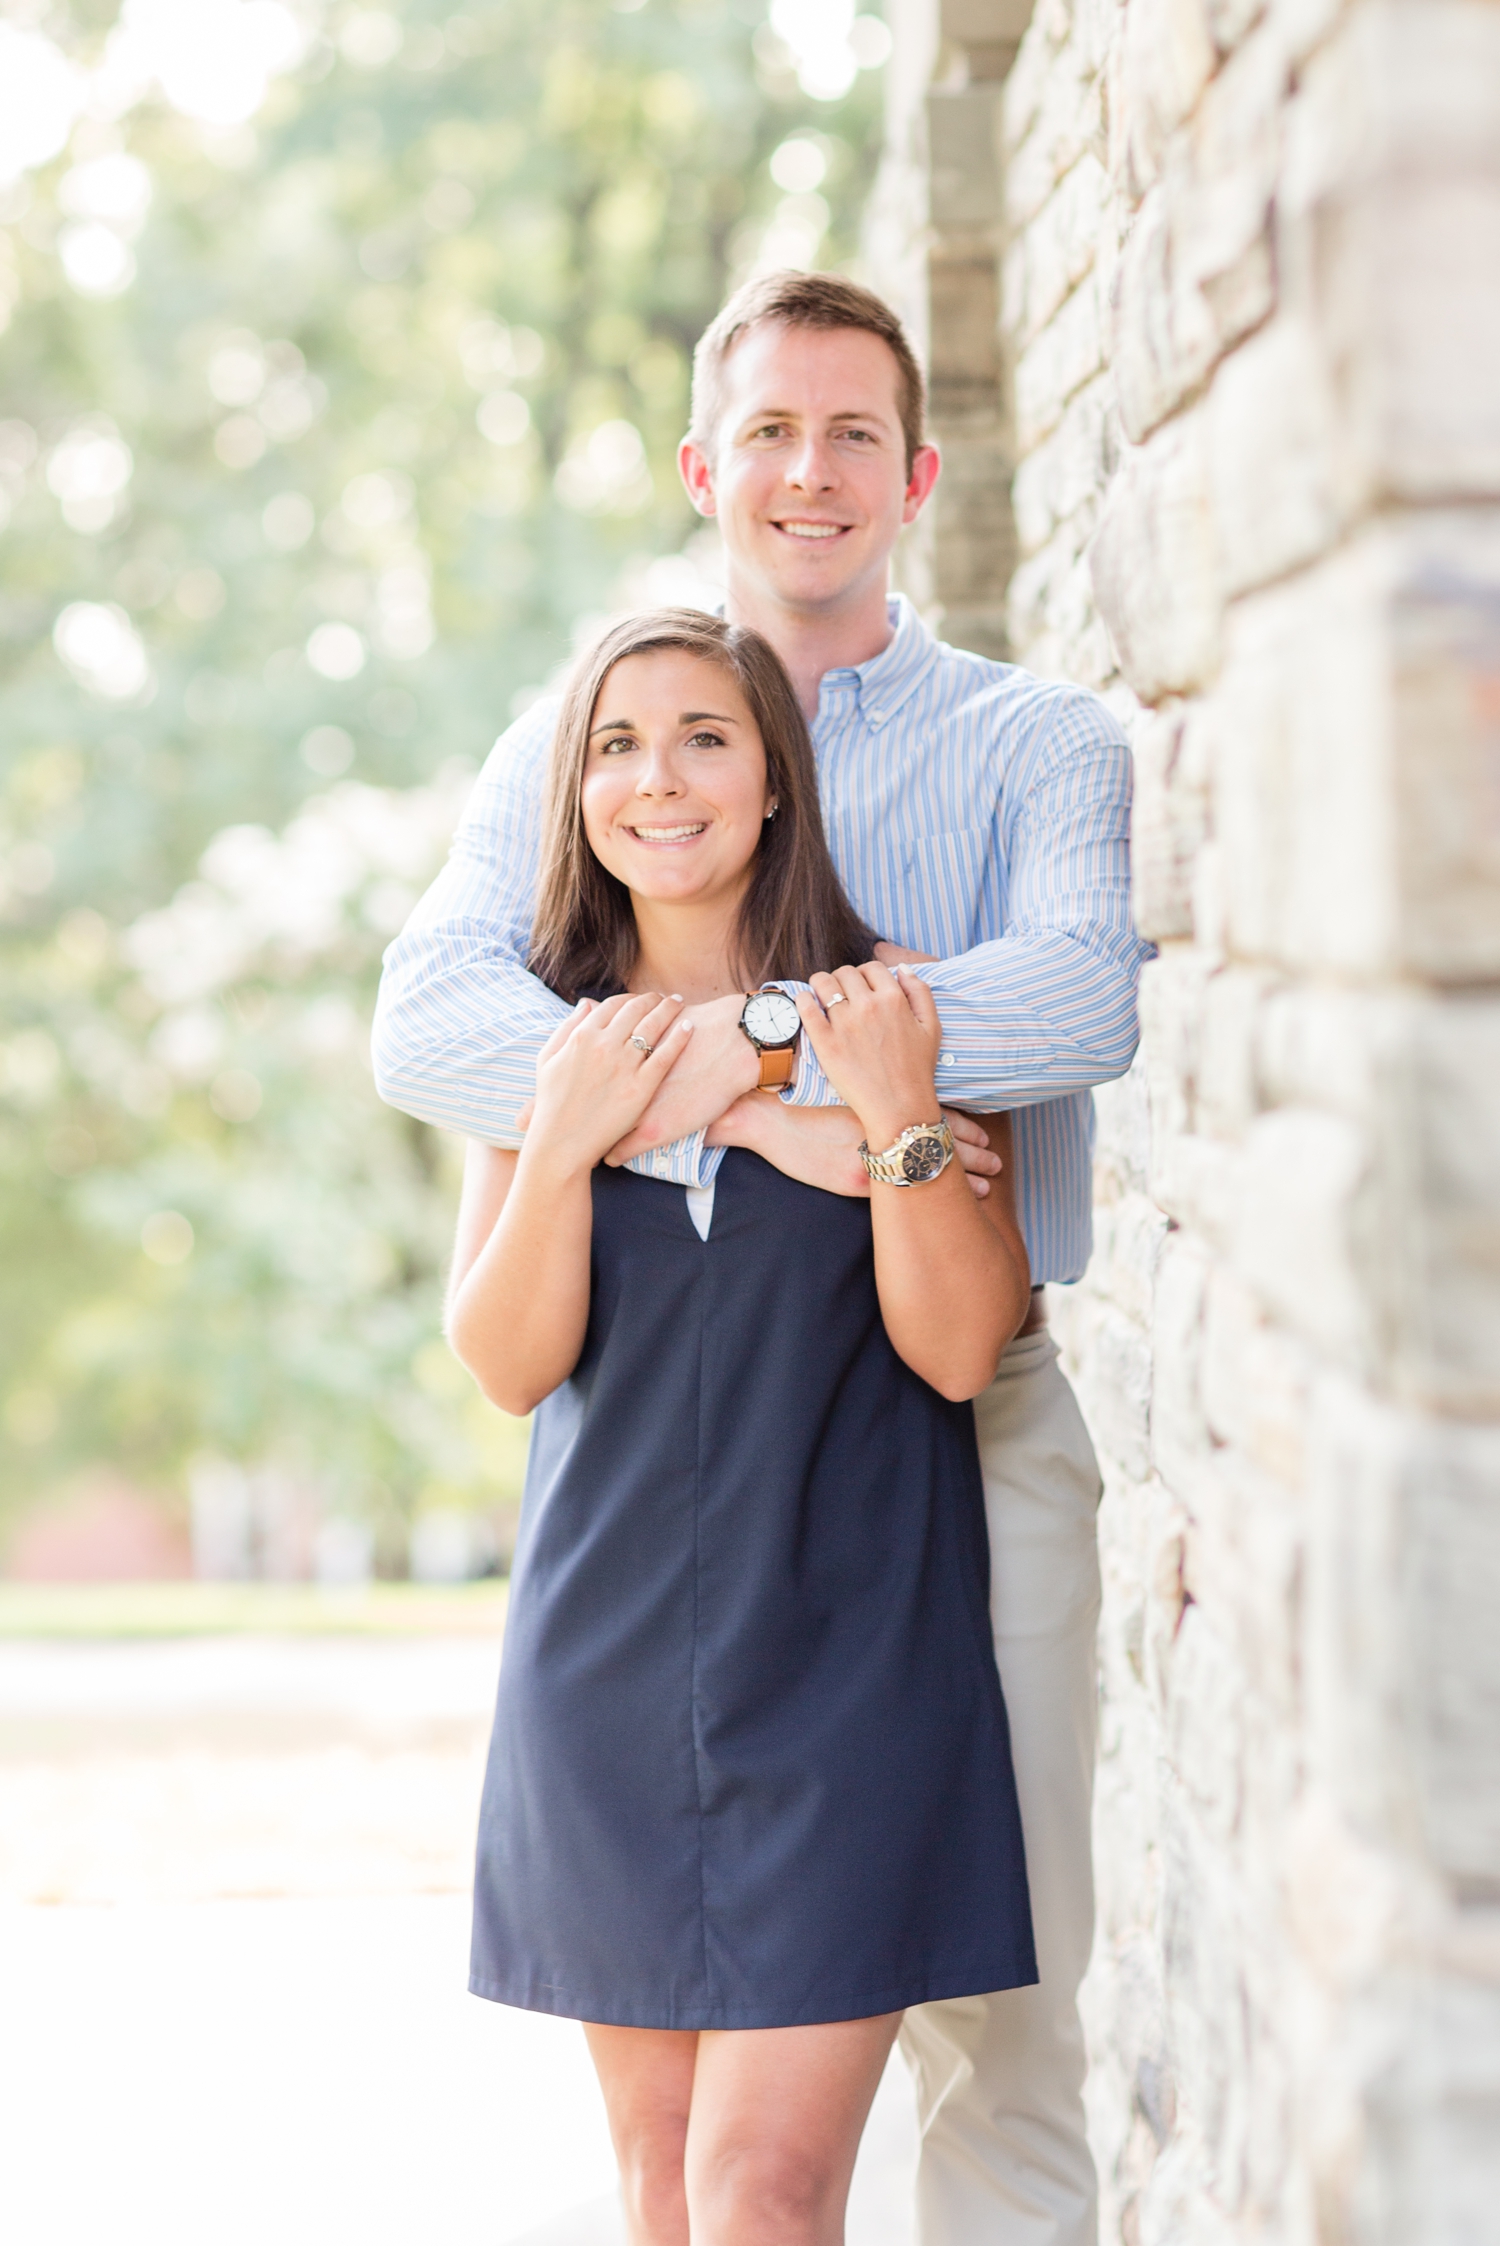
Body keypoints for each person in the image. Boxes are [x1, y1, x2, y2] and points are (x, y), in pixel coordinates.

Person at [375, 271, 1153, 2246]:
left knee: (999, 2032)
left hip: (939, 1438)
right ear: (708, 469)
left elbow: (1075, 1002)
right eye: (772, 435)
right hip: (642, 1536)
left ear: (918, 470)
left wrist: (773, 1043)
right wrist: (715, 1090)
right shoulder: (580, 731)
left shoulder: (1031, 739)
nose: (660, 777)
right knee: (694, 2168)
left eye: (854, 434)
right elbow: (432, 1033)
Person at [447, 608, 1037, 2246]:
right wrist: (574, 1143)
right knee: (662, 2190)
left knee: (765, 2192)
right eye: (618, 745)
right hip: (607, 1667)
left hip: (852, 1665)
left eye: (707, 734)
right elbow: (507, 1359)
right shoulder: (538, 1041)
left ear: (776, 780)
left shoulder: (893, 1008)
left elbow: (961, 1344)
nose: (661, 778)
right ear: (575, 797)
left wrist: (894, 1120)